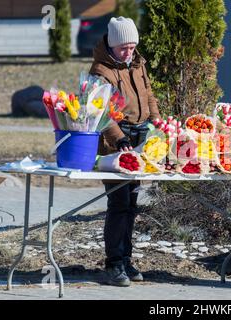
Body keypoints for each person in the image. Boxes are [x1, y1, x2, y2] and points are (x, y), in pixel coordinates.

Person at [89, 17, 161, 286]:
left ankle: (126, 260)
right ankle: (113, 264)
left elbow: (149, 93)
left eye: (132, 47)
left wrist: (156, 120)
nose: (129, 53)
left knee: (131, 203)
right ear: (112, 44)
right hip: (116, 141)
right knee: (119, 203)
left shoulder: (137, 62)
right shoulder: (101, 71)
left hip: (141, 136)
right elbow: (100, 111)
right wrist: (119, 139)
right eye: (124, 48)